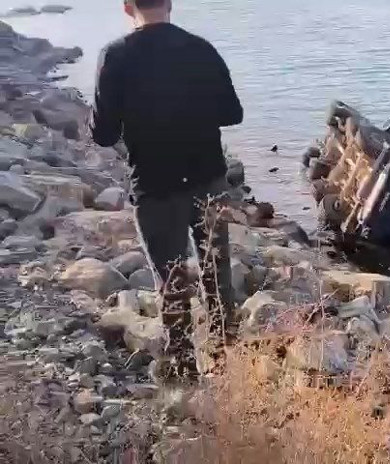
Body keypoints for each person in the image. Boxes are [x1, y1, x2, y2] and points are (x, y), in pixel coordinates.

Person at [89, 0, 244, 380]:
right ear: (170, 4)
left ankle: (184, 370)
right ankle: (227, 365)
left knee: (171, 281)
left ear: (128, 7)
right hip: (207, 178)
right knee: (216, 273)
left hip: (156, 186)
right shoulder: (200, 48)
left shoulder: (115, 56)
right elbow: (233, 113)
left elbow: (103, 133)